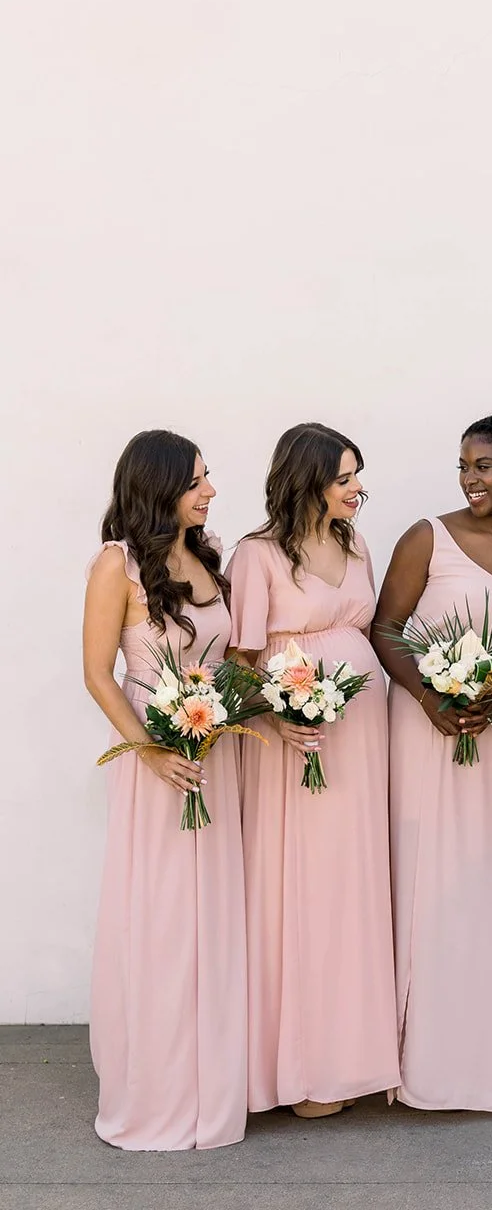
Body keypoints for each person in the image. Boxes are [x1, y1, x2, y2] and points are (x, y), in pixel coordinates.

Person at [370, 413, 492, 1112]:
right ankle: (415, 1057)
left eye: (484, 466)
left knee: (484, 877)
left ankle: (484, 1056)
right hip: (425, 727)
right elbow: (386, 627)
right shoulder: (428, 537)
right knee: (426, 877)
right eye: (464, 466)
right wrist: (428, 696)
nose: (471, 478)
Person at [228, 423, 399, 1119]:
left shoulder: (356, 545)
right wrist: (279, 716)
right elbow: (239, 662)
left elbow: (367, 632)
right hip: (295, 743)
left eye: (358, 476)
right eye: (344, 478)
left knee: (352, 883)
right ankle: (297, 1069)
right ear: (307, 480)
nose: (357, 490)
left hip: (359, 737)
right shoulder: (257, 554)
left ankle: (349, 1058)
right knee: (300, 887)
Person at [84, 429, 247, 1149]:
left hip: (216, 753)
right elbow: (97, 673)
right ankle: (157, 1090)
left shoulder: (208, 556)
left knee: (214, 917)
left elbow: (228, 659)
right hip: (156, 760)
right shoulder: (116, 564)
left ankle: (212, 1089)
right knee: (164, 919)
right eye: (195, 481)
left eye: (208, 478)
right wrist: (149, 750)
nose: (210, 491)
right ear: (158, 487)